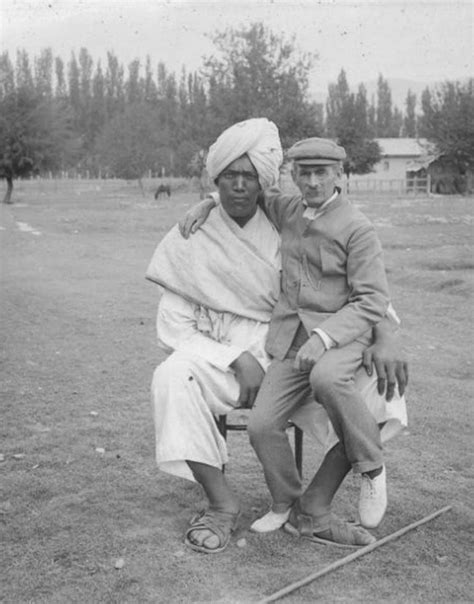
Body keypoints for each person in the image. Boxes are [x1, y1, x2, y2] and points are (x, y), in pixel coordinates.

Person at [148, 119, 407, 553]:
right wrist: (232, 356)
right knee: (171, 377)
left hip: (302, 349)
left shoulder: (291, 219)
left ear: (264, 182)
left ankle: (317, 506)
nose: (239, 187)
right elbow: (173, 326)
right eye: (228, 177)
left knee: (384, 390)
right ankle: (221, 505)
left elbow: (358, 293)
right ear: (216, 179)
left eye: (249, 177)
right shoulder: (193, 234)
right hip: (228, 361)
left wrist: (387, 336)